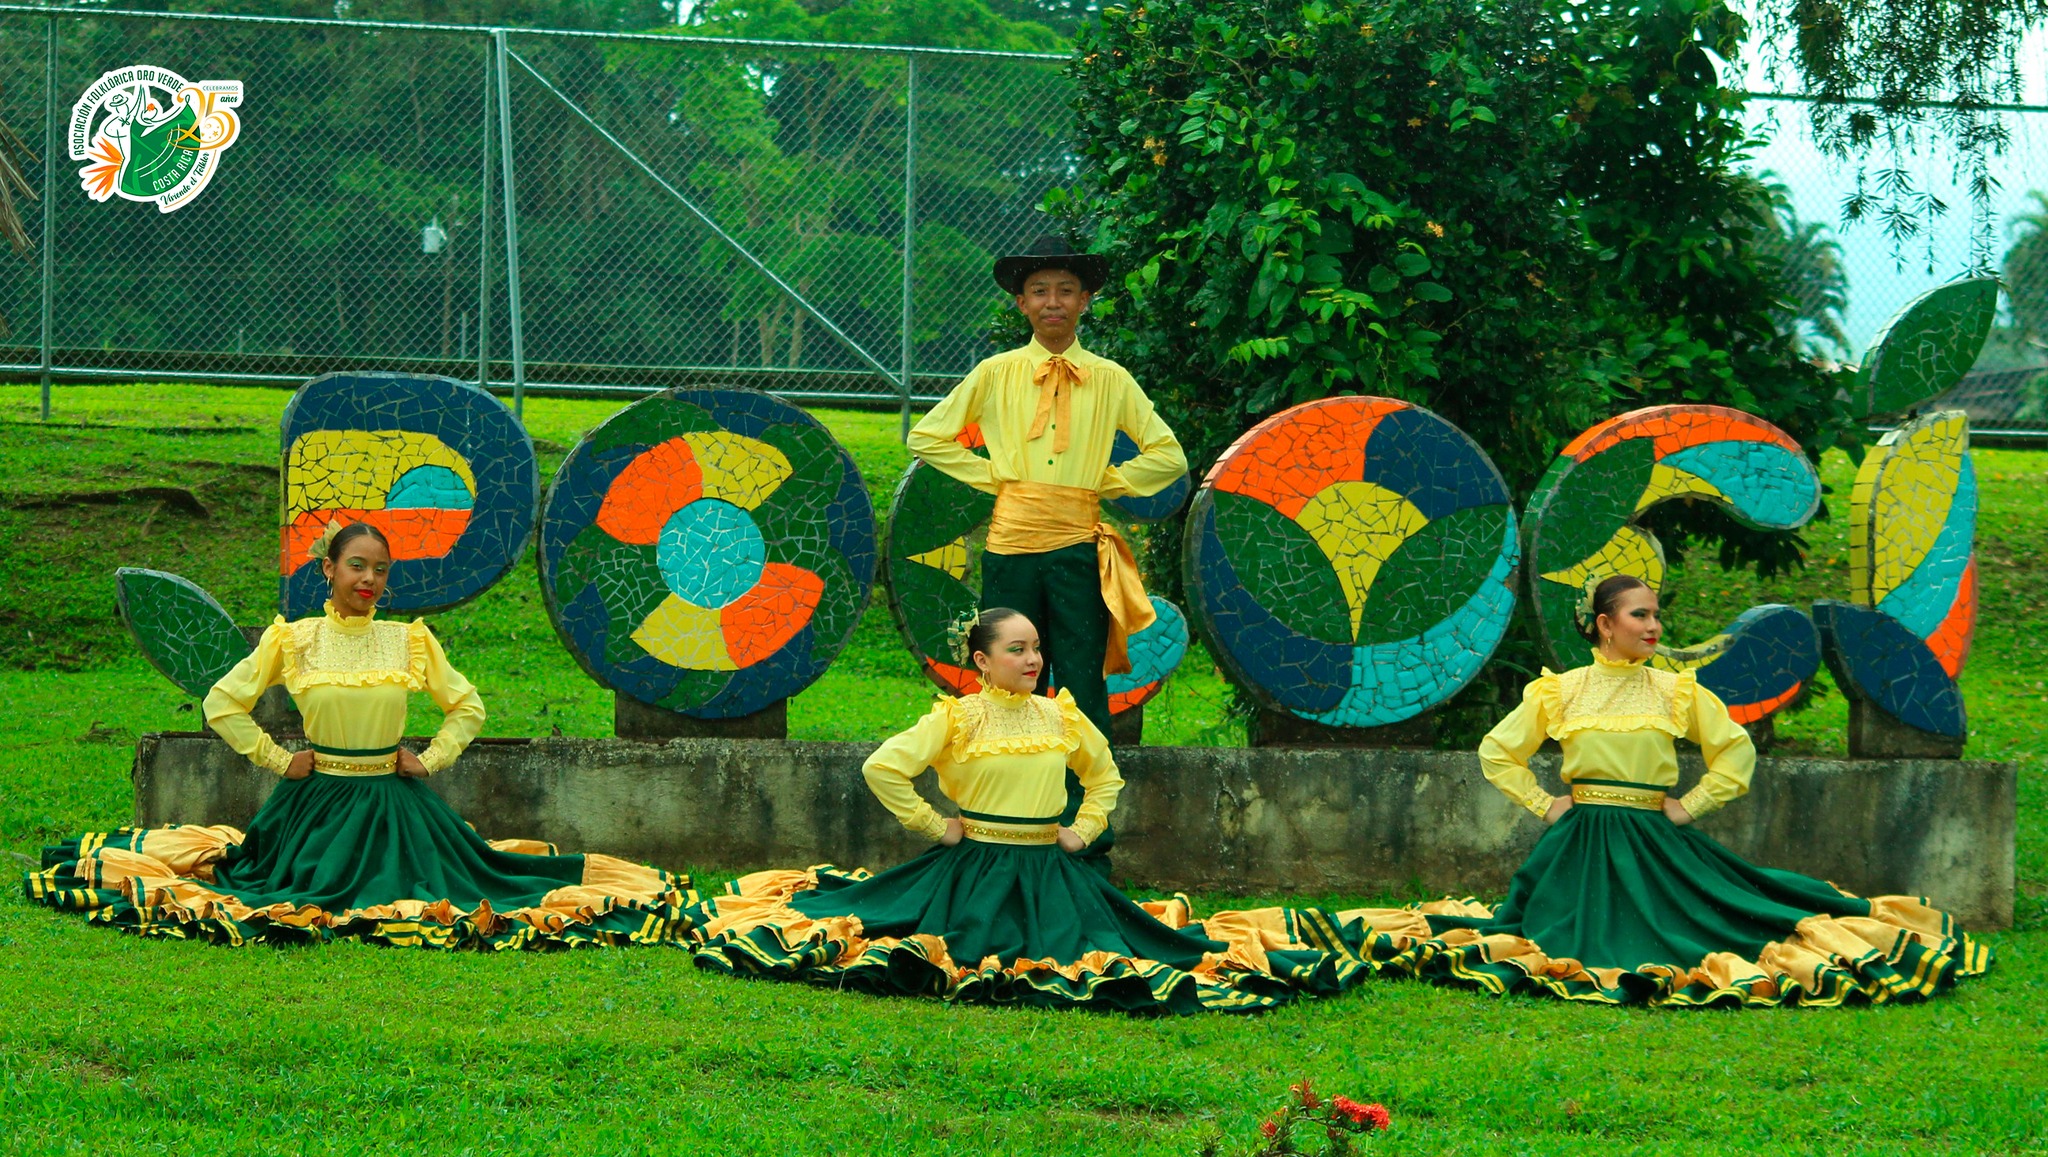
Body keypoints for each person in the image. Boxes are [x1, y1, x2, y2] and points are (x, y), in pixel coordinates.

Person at [24, 521, 696, 949]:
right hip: (312, 804)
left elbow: (468, 708)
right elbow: (224, 702)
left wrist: (428, 757)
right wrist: (275, 757)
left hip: (395, 802)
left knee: (478, 883)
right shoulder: (293, 637)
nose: (369, 579)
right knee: (270, 888)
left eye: (379, 569)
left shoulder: (409, 640)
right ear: (329, 570)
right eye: (357, 566)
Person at [686, 608, 1374, 1014]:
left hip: (1051, 868)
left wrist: (1084, 829)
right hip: (973, 866)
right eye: (1016, 649)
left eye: (1036, 647)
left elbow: (1105, 776)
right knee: (928, 942)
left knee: (1125, 952)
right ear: (982, 660)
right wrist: (935, 825)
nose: (1032, 658)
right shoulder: (957, 717)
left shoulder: (1060, 713)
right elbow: (882, 766)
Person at [1346, 574, 1991, 1006]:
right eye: (1641, 615)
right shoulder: (1560, 690)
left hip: (1654, 834)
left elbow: (1733, 749)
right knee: (1552, 931)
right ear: (1605, 624)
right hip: (1581, 836)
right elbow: (1497, 750)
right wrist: (1547, 803)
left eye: (1657, 615)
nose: (1654, 626)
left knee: (1727, 913)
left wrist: (1691, 804)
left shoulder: (1674, 689)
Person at [906, 235, 1188, 867]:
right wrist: (999, 480)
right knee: (1004, 680)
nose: (1053, 301)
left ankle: (1085, 835)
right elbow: (929, 435)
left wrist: (1101, 484)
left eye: (1065, 290)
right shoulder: (995, 373)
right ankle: (999, 822)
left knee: (1081, 683)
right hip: (1010, 546)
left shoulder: (1111, 379)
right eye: (1040, 291)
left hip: (1075, 549)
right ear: (1022, 303)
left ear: (1085, 301)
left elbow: (1168, 455)